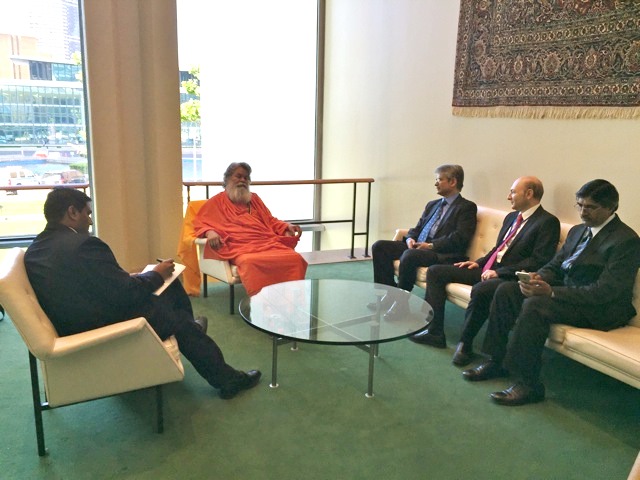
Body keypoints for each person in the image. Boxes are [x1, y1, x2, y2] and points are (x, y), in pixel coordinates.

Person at [24, 187, 261, 400]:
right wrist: (155, 274)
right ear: (72, 212)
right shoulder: (84, 245)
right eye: (87, 214)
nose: (90, 221)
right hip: (100, 325)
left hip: (76, 319)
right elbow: (125, 294)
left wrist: (142, 276)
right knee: (171, 308)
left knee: (167, 286)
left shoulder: (36, 249)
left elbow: (95, 283)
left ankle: (191, 330)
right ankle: (227, 378)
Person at [462, 179, 640, 406]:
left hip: (601, 307)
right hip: (568, 293)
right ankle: (495, 360)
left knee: (536, 305)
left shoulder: (626, 241)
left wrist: (552, 293)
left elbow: (605, 291)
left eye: (590, 207)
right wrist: (538, 278)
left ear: (611, 207)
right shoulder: (578, 231)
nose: (583, 212)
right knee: (506, 289)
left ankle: (529, 384)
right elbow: (555, 265)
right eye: (579, 205)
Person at [411, 177, 560, 365]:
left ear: (529, 194)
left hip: (509, 277)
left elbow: (538, 261)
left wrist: (500, 273)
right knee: (435, 272)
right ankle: (435, 332)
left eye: (513, 192)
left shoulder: (547, 222)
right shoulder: (512, 217)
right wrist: (478, 263)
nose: (508, 197)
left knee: (482, 289)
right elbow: (498, 249)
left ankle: (465, 344)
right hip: (489, 269)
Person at [370, 164, 477, 319]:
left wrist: (431, 245)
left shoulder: (466, 207)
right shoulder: (432, 204)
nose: (435, 183)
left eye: (439, 180)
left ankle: (400, 303)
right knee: (380, 246)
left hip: (440, 252)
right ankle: (390, 294)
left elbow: (460, 237)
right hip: (418, 246)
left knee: (410, 255)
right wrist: (410, 238)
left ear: (453, 181)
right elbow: (418, 227)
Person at [193, 162, 307, 296]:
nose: (242, 180)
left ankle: (290, 298)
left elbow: (270, 220)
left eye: (246, 178)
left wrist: (286, 225)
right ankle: (260, 300)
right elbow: (200, 223)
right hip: (238, 246)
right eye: (238, 176)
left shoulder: (255, 199)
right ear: (228, 179)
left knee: (295, 259)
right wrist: (210, 232)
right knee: (249, 262)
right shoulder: (216, 202)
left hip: (266, 243)